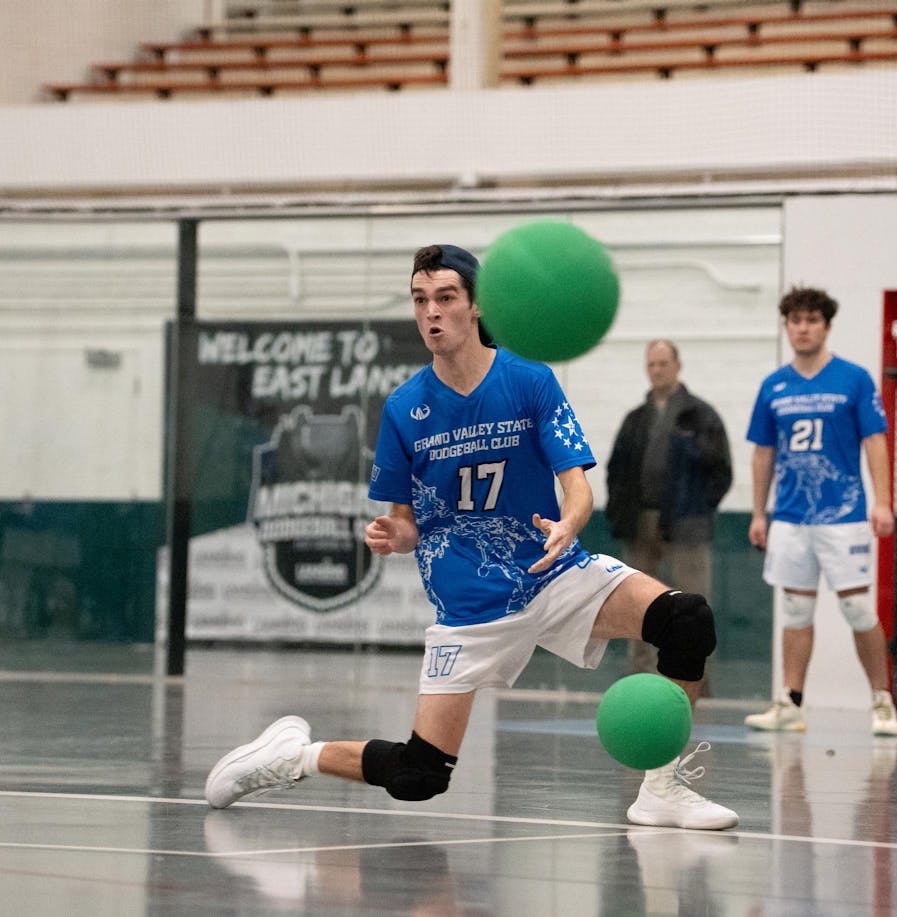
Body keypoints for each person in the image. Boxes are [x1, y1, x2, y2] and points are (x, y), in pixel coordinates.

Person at [204, 243, 739, 830]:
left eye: (445, 298)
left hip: (553, 573)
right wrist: (397, 534)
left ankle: (662, 788)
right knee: (419, 776)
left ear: (476, 305)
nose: (430, 312)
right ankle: (293, 756)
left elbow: (577, 488)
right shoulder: (405, 408)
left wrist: (569, 524)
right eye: (419, 300)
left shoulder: (529, 381)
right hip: (469, 606)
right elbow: (405, 520)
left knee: (686, 619)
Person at [744, 286, 897, 736]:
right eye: (795, 320)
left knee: (856, 608)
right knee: (795, 611)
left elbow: (874, 441)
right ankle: (792, 702)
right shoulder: (774, 385)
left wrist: (883, 502)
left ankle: (882, 702)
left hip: (844, 517)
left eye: (812, 320)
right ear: (787, 327)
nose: (803, 328)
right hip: (792, 519)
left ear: (827, 326)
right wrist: (760, 513)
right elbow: (763, 453)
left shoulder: (853, 379)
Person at [606, 339, 732, 674]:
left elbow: (721, 470)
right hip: (641, 521)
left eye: (664, 363)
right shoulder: (636, 419)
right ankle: (640, 675)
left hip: (686, 524)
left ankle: (693, 682)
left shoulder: (700, 416)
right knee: (639, 603)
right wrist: (622, 513)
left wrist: (698, 508)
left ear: (678, 366)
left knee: (691, 606)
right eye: (652, 364)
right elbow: (616, 470)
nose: (658, 370)